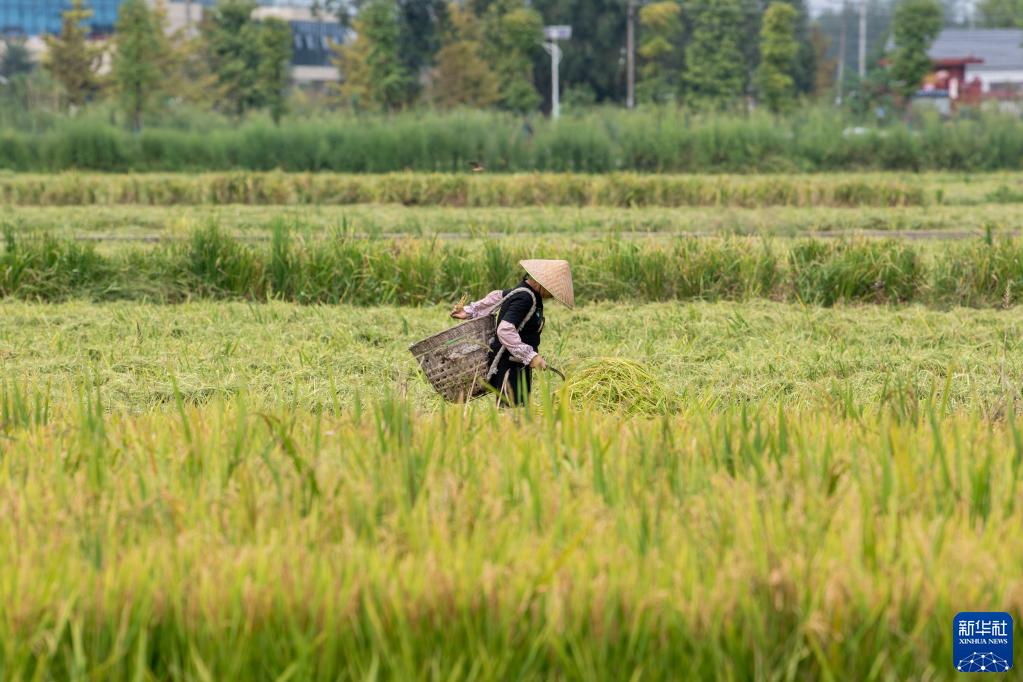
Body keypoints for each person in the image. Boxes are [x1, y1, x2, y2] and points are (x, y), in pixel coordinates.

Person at [451, 259, 573, 405]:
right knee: (512, 409)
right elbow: (504, 330)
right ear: (541, 283)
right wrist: (531, 356)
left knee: (519, 407)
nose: (552, 296)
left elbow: (497, 297)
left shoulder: (523, 291)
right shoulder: (526, 298)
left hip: (518, 361)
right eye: (551, 291)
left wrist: (469, 311)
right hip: (510, 364)